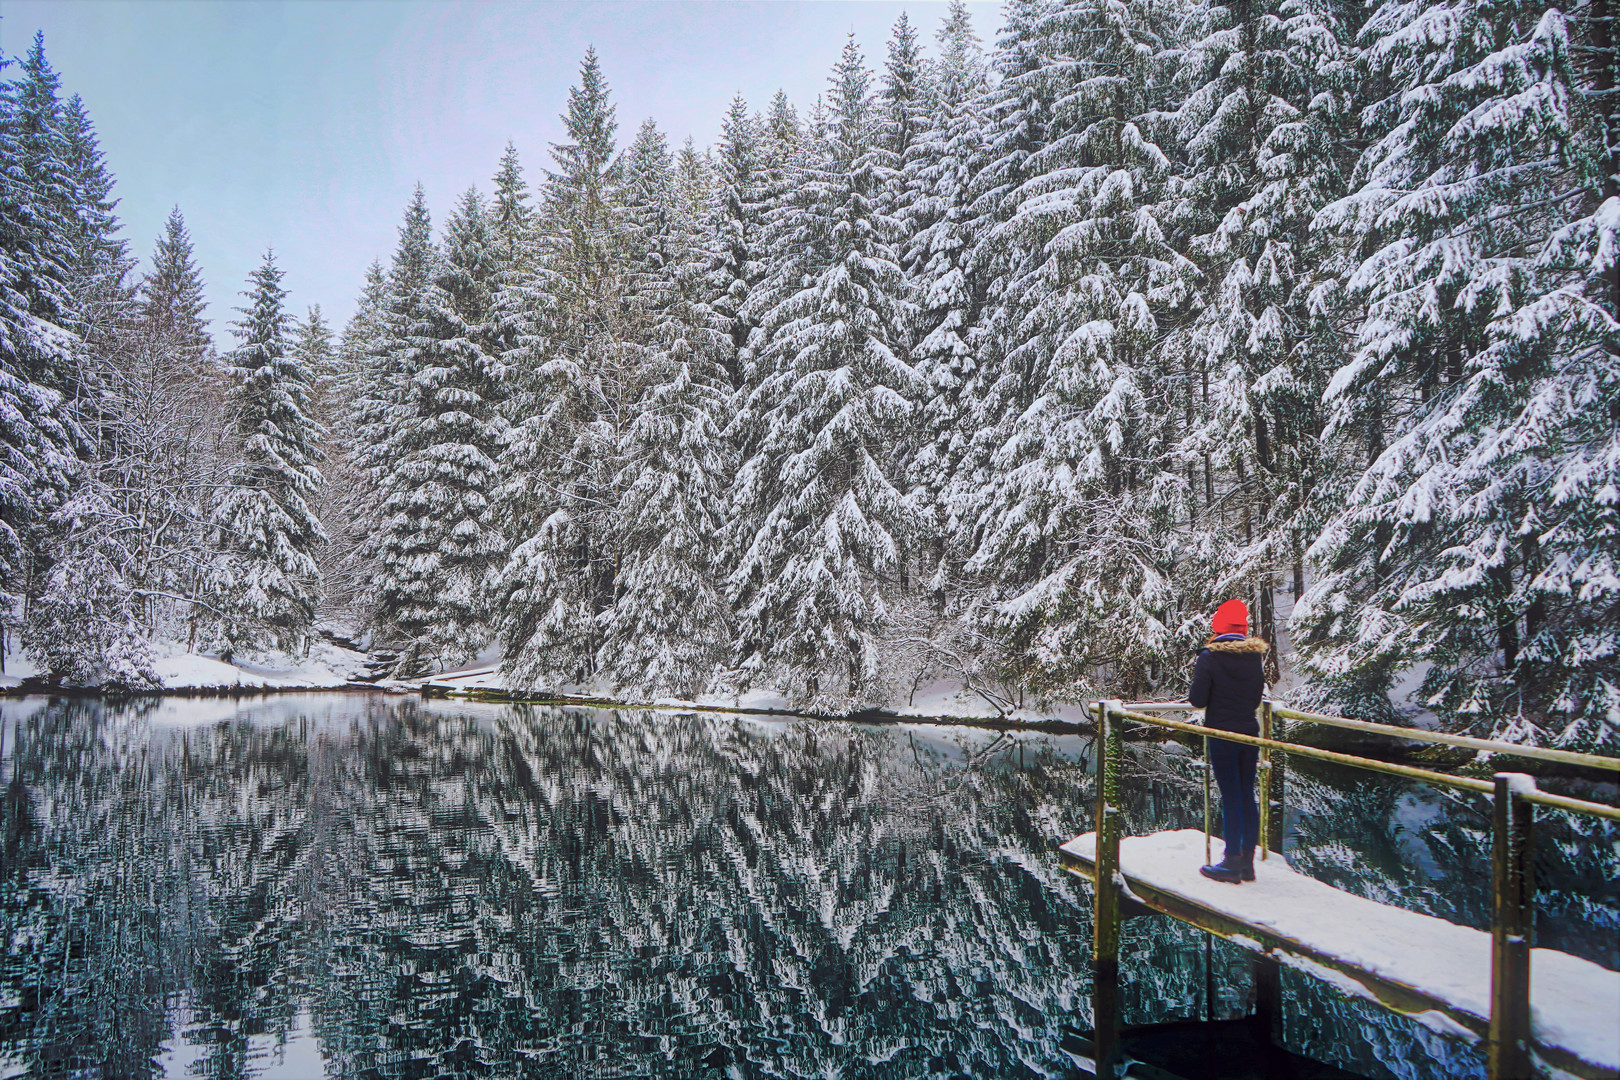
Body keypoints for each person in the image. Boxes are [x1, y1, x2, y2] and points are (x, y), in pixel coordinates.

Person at [1188, 598, 1269, 883]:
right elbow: (1256, 697)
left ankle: (1231, 862)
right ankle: (1247, 863)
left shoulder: (1210, 657)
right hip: (1249, 732)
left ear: (1218, 627)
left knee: (1231, 797)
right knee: (1247, 795)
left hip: (1222, 734)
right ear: (1243, 628)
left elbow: (1197, 700)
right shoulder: (1254, 656)